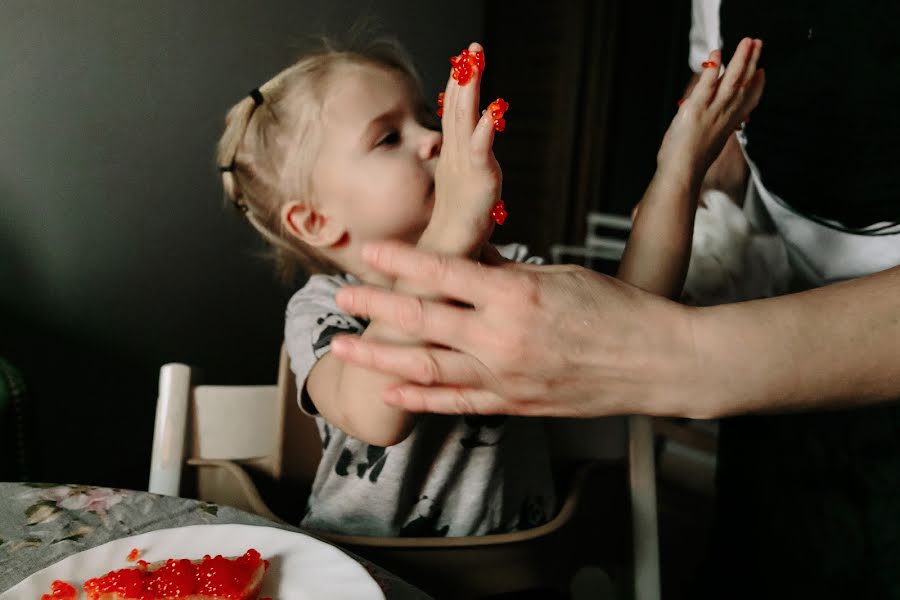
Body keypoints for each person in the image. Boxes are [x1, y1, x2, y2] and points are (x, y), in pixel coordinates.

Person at [215, 31, 762, 540]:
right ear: (315, 221)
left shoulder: (508, 274)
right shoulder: (325, 309)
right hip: (366, 571)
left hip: (518, 567)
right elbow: (377, 413)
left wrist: (680, 167)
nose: (433, 139)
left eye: (428, 118)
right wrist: (452, 227)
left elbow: (639, 312)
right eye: (388, 138)